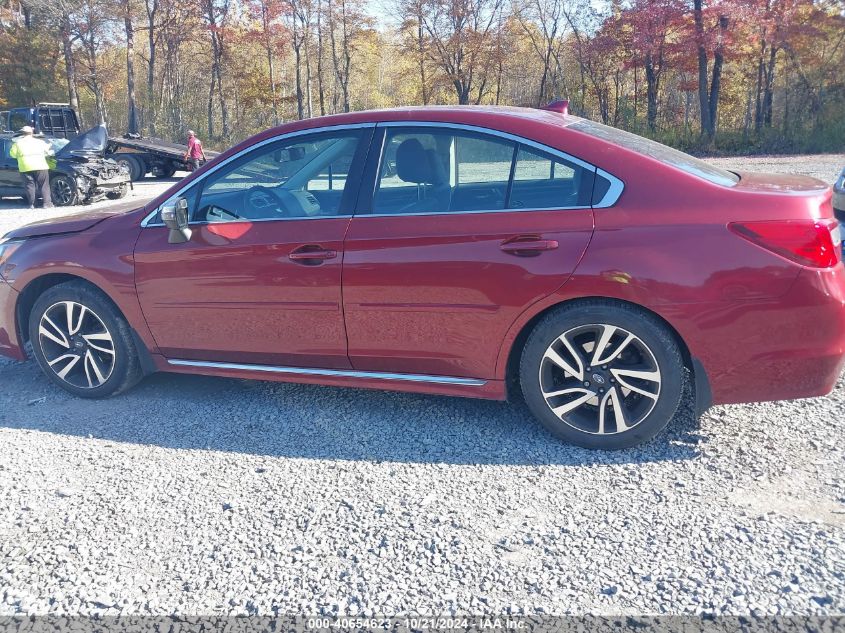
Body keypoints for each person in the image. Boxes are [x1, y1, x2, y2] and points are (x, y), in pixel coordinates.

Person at [9, 126, 53, 209]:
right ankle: (47, 204)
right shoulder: (39, 142)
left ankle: (32, 204)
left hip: (25, 167)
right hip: (40, 166)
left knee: (30, 186)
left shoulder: (17, 143)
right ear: (32, 133)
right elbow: (48, 151)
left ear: (22, 133)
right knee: (44, 185)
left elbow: (13, 154)